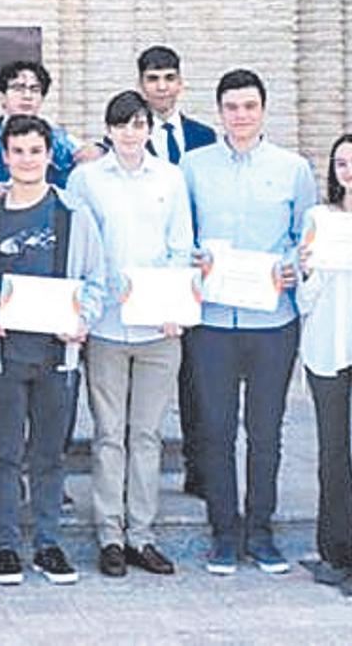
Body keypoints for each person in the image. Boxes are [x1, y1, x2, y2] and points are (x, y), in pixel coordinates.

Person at [181, 69, 316, 575]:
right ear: (219, 112)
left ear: (263, 110)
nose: (241, 115)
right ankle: (223, 531)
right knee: (214, 429)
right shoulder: (194, 167)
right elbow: (186, 232)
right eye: (232, 107)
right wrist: (194, 258)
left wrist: (290, 266)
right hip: (212, 321)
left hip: (272, 320)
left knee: (266, 430)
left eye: (249, 106)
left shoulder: (293, 168)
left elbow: (303, 238)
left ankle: (261, 531)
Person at [0, 115, 105, 586]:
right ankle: (6, 546)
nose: (27, 160)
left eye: (35, 151)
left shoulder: (73, 213)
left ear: (50, 156)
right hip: (3, 351)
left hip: (56, 353)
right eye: (18, 151)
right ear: (5, 157)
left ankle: (49, 543)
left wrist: (81, 318)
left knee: (50, 452)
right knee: (5, 451)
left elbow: (95, 279)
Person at [68, 91, 191, 577]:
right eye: (122, 124)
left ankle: (142, 535)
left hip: (160, 327)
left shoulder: (170, 179)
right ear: (110, 129)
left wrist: (173, 304)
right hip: (105, 326)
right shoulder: (86, 179)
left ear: (149, 129)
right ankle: (110, 535)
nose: (131, 133)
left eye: (139, 124)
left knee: (146, 434)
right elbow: (80, 248)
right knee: (108, 435)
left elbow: (182, 246)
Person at [136, 45, 217, 500]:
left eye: (169, 77)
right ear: (141, 85)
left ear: (181, 82)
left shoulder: (205, 136)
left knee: (197, 377)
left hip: (196, 273)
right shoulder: (125, 135)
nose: (161, 87)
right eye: (153, 78)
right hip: (148, 277)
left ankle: (199, 467)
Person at [296, 134, 352, 595]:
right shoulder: (318, 219)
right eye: (341, 163)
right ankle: (335, 550)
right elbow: (304, 299)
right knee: (334, 452)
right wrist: (311, 271)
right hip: (329, 348)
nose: (348, 170)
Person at [0, 60, 96, 200]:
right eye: (18, 88)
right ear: (2, 97)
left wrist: (98, 150)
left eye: (35, 89)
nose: (27, 96)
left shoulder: (60, 140)